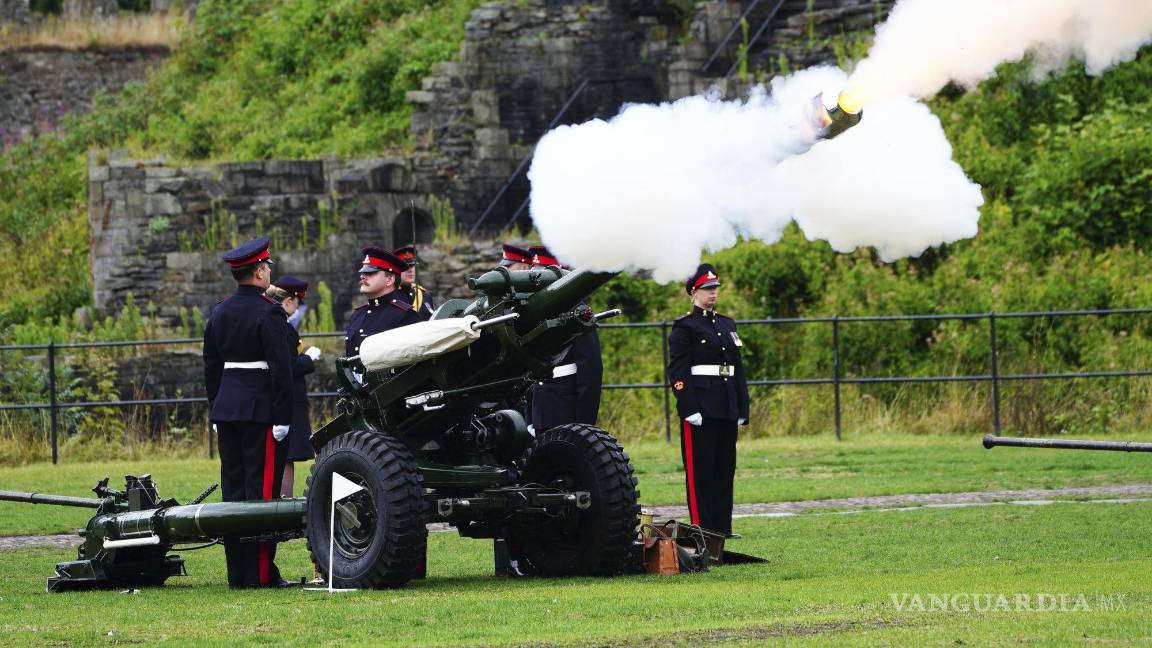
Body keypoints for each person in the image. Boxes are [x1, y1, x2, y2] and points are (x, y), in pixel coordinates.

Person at [202, 236, 294, 588]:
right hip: (261, 410)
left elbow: (211, 366)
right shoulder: (268, 311)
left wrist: (215, 409)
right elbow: (281, 368)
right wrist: (284, 417)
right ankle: (258, 574)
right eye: (267, 266)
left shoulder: (220, 310)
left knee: (234, 490)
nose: (269, 270)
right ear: (258, 272)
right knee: (261, 493)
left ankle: (238, 574)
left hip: (228, 409)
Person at [666, 263, 749, 538]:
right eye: (706, 289)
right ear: (693, 292)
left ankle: (723, 528)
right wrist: (687, 406)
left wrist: (742, 406)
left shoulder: (727, 324)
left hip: (725, 405)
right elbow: (677, 371)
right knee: (700, 472)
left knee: (724, 470)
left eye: (714, 288)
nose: (712, 293)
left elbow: (736, 368)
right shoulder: (685, 327)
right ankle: (704, 530)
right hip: (700, 406)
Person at [525, 245, 603, 431]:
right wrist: (529, 417)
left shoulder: (577, 311)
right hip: (540, 411)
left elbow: (590, 372)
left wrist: (584, 424)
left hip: (566, 412)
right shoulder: (532, 312)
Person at [267, 276, 321, 498]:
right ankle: (284, 499)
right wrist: (308, 360)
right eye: (297, 301)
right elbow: (286, 367)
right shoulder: (283, 328)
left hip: (288, 397)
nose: (298, 306)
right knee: (286, 455)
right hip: (288, 398)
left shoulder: (282, 326)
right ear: (288, 300)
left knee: (286, 454)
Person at [345, 246, 423, 358]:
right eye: (363, 272)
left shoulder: (404, 315)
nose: (362, 276)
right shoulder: (357, 314)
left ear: (389, 279)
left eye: (370, 273)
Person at [393, 245, 435, 320]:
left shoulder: (425, 295)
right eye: (405, 267)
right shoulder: (390, 296)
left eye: (412, 266)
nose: (410, 270)